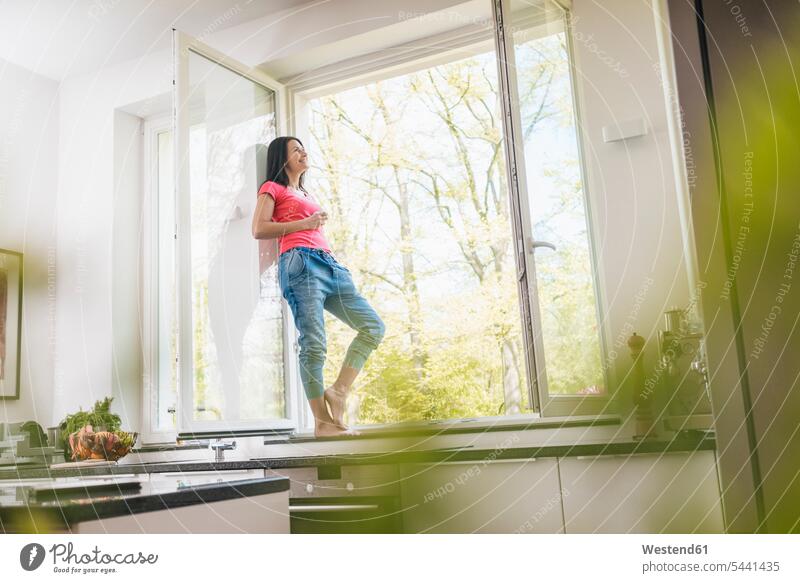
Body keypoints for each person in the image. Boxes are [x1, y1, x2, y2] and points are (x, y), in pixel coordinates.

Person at [251, 136, 386, 437]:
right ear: (282, 159)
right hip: (300, 263)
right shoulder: (270, 188)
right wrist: (305, 224)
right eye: (296, 149)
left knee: (373, 327)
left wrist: (314, 225)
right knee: (314, 342)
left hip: (329, 265)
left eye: (303, 148)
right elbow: (259, 229)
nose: (303, 152)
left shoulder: (305, 192)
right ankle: (322, 423)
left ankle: (338, 391)